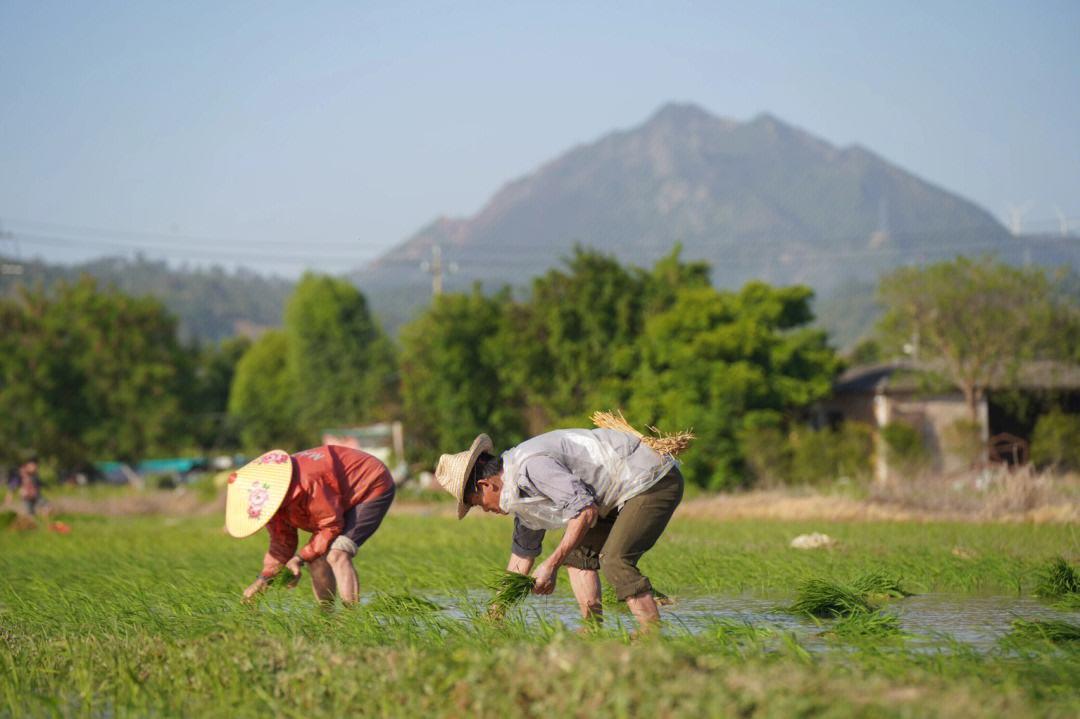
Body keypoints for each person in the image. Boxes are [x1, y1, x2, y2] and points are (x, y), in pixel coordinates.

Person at [434, 412, 691, 633]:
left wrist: (551, 563)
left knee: (614, 560)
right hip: (613, 494)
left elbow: (586, 511)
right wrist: (495, 612)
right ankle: (592, 631)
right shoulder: (518, 496)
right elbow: (521, 559)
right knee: (578, 557)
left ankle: (652, 637)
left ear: (486, 485)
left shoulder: (531, 468)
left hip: (651, 479)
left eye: (478, 504)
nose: (485, 510)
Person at [225, 445, 395, 606]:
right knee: (316, 557)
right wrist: (263, 580)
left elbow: (330, 526)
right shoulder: (271, 504)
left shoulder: (309, 481)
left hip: (371, 485)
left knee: (337, 554)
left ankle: (351, 618)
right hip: (337, 496)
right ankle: (326, 618)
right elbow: (282, 542)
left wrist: (299, 559)